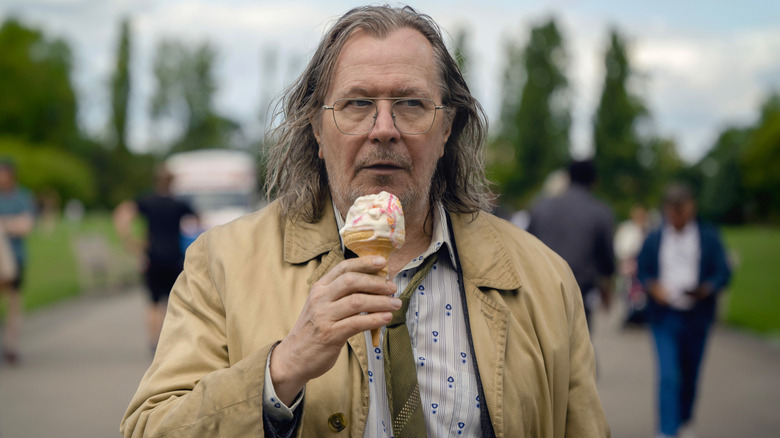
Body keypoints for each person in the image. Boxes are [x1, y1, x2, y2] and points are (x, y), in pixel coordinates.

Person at [121, 6, 609, 437]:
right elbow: (150, 428)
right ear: (316, 127)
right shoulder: (221, 264)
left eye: (411, 104)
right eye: (357, 104)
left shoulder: (545, 280)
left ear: (446, 128)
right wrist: (281, 369)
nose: (384, 129)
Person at [637, 183, 731, 438]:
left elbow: (723, 272)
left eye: (683, 209)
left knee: (690, 374)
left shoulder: (708, 236)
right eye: (673, 210)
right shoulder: (655, 237)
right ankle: (666, 430)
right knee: (669, 374)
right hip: (664, 315)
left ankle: (685, 420)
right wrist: (652, 287)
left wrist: (706, 288)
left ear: (692, 207)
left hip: (696, 316)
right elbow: (642, 269)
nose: (678, 216)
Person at [113, 165, 196, 353]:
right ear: (173, 182)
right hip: (174, 257)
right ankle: (174, 342)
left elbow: (122, 214)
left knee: (153, 302)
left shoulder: (147, 201)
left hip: (153, 257)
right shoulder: (179, 205)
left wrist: (128, 240)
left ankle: (153, 342)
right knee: (176, 302)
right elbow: (199, 221)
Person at [527, 159, 615, 328]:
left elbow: (526, 245)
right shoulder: (599, 212)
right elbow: (606, 259)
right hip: (579, 291)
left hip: (541, 288)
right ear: (594, 181)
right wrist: (607, 291)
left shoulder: (542, 206)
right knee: (577, 345)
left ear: (568, 177)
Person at [0, 159, 35, 366]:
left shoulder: (22, 197)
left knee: (13, 301)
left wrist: (4, 224)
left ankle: (11, 345)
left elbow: (26, 225)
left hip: (15, 257)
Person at [614, 204, 650, 326]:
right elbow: (621, 247)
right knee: (627, 291)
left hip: (642, 265)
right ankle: (629, 316)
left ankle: (640, 316)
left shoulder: (648, 228)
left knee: (640, 293)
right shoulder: (627, 229)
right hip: (629, 263)